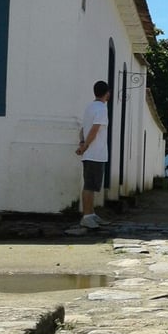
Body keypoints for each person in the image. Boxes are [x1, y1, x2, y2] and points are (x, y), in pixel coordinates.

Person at [76, 81, 111, 229]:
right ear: (107, 93)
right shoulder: (102, 109)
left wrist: (82, 144)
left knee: (91, 185)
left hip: (90, 153)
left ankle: (91, 214)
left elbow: (83, 129)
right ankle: (86, 216)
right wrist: (85, 146)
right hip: (95, 153)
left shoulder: (89, 107)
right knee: (89, 186)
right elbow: (94, 130)